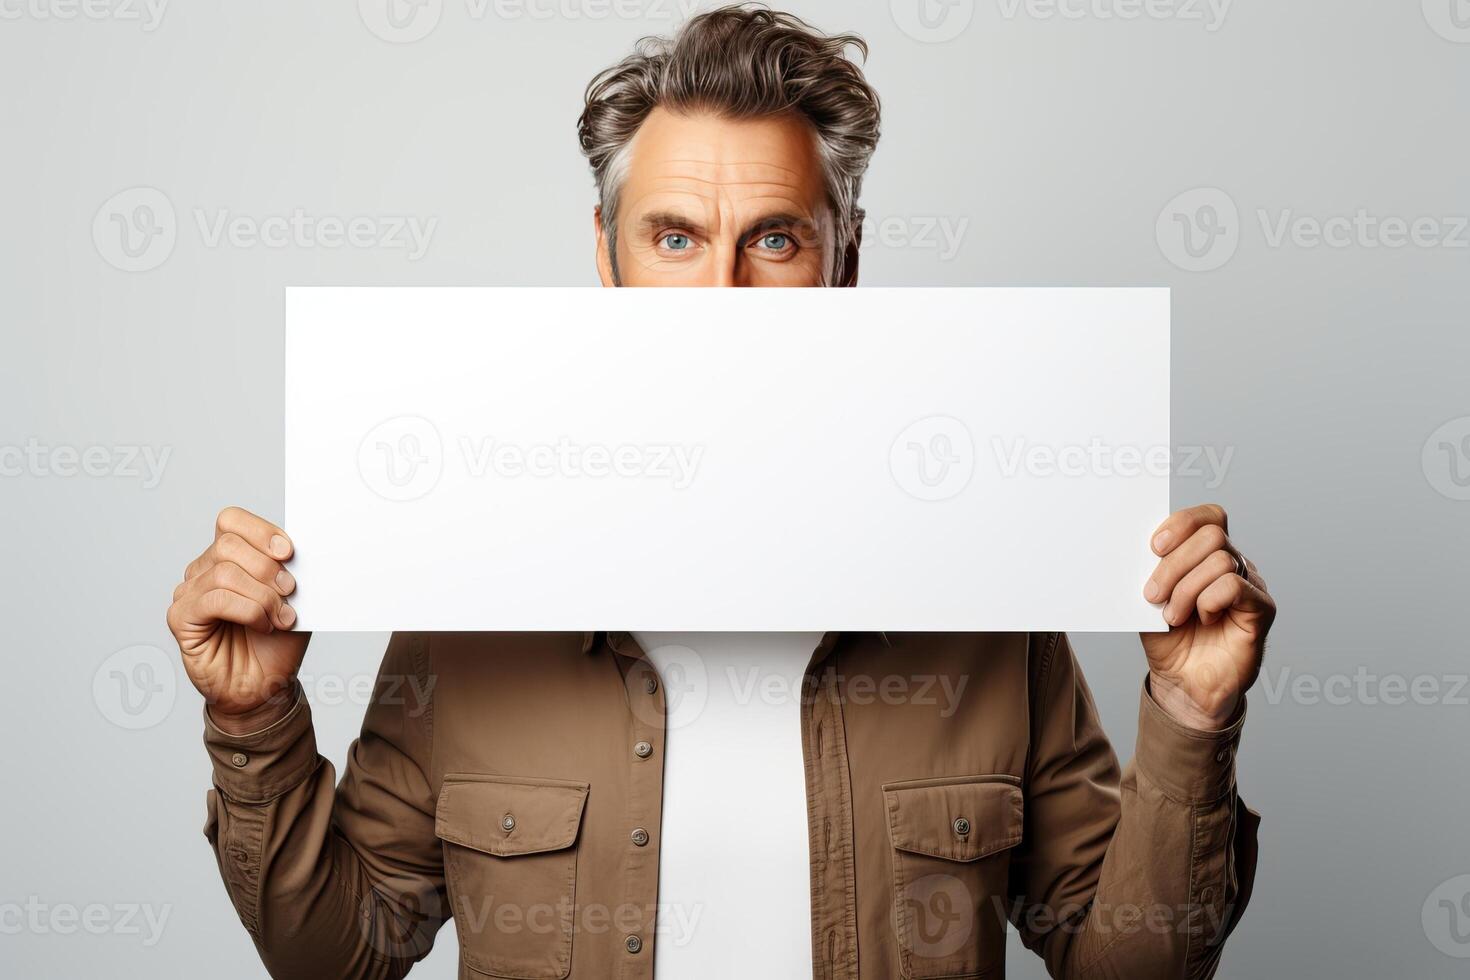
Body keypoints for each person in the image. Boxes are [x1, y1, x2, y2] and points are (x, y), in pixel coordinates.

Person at [169, 6, 1273, 978]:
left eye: (777, 239)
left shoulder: (984, 595)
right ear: (609, 263)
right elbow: (342, 956)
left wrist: (1190, 714)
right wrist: (253, 713)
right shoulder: (470, 589)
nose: (723, 293)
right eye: (676, 237)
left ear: (843, 266)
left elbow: (1126, 960)